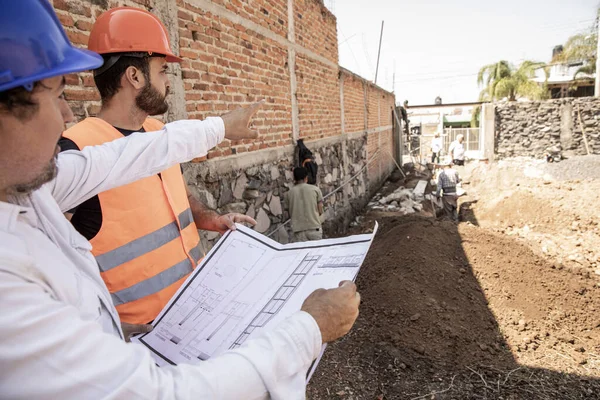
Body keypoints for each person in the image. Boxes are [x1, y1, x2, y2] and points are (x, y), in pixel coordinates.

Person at [0, 1, 360, 398]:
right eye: (55, 96)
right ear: (134, 76)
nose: (66, 114)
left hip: (177, 331)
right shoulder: (67, 155)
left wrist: (217, 145)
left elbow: (138, 160)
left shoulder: (34, 187)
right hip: (152, 357)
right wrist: (308, 329)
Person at [59, 7, 256, 332]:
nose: (170, 82)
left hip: (194, 308)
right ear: (134, 76)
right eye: (162, 70)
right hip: (141, 339)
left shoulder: (156, 132)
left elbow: (176, 193)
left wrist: (211, 219)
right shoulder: (77, 150)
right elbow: (55, 260)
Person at [285, 167, 324, 242]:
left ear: (294, 179)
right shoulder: (315, 189)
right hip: (314, 228)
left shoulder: (289, 194)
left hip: (298, 231)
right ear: (306, 177)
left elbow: (288, 214)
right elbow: (320, 209)